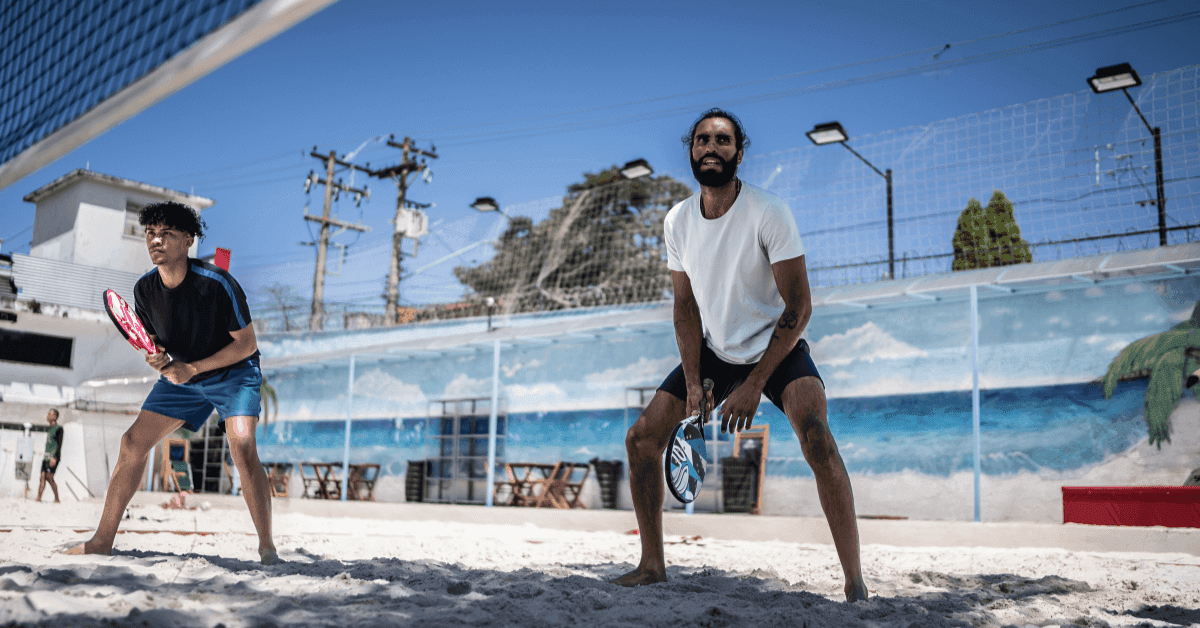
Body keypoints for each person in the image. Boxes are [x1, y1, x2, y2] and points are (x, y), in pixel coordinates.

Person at [611, 109, 868, 601]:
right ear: (691, 152)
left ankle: (855, 583)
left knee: (818, 438)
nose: (711, 147)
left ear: (739, 153)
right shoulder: (677, 221)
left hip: (777, 345)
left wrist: (752, 386)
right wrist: (692, 383)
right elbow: (684, 308)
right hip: (714, 353)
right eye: (702, 139)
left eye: (722, 140)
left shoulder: (769, 211)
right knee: (642, 440)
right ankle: (651, 566)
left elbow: (800, 306)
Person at [67, 201, 277, 564]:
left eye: (167, 234)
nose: (156, 240)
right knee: (132, 443)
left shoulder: (218, 284)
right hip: (184, 377)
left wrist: (192, 368)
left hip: (234, 373)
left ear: (188, 241)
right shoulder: (144, 291)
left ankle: (267, 547)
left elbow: (247, 344)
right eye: (151, 233)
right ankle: (101, 541)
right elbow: (158, 346)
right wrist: (157, 359)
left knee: (242, 448)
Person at [36, 409, 63, 503]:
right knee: (42, 477)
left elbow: (59, 445)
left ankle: (57, 498)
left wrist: (55, 458)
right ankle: (38, 498)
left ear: (55, 417)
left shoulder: (59, 429)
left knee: (49, 477)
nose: (47, 415)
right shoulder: (49, 429)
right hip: (46, 457)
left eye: (50, 414)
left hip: (53, 457)